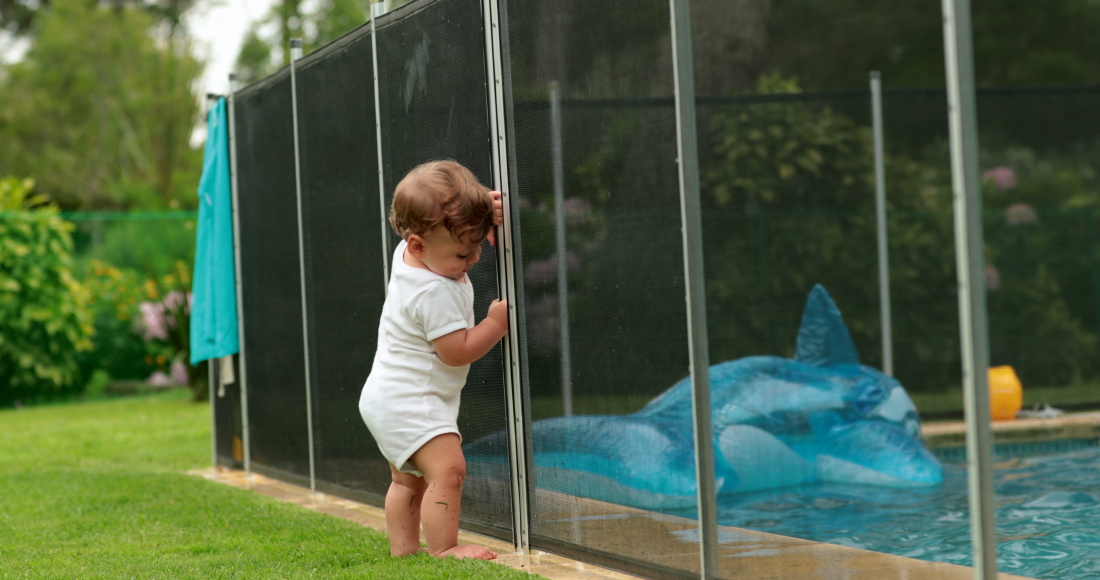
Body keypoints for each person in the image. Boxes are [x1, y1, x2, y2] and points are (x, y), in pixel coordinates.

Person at [359, 160, 508, 560]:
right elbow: (456, 351)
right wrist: (495, 325)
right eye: (463, 252)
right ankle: (446, 548)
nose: (474, 258)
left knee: (408, 481)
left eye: (478, 244)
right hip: (412, 400)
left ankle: (404, 552)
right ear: (419, 245)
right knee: (449, 471)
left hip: (386, 397)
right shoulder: (432, 293)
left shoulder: (410, 253)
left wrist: (481, 211)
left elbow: (437, 217)